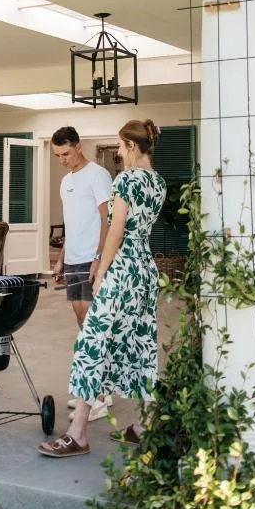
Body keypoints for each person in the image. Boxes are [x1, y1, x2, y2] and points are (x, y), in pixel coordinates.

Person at [39, 119, 166, 457]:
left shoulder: (126, 180)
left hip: (121, 269)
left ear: (131, 146)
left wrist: (100, 273)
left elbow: (115, 231)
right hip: (145, 270)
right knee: (140, 343)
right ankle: (143, 426)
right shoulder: (158, 182)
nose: (120, 152)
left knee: (92, 344)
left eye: (121, 145)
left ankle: (77, 435)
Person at [51, 126, 113, 422]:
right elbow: (71, 223)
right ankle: (98, 388)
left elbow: (108, 220)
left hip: (91, 259)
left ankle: (97, 396)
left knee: (92, 328)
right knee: (82, 324)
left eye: (65, 153)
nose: (62, 160)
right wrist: (61, 259)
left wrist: (99, 259)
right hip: (74, 260)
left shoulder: (98, 175)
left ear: (78, 147)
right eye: (57, 155)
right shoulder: (66, 181)